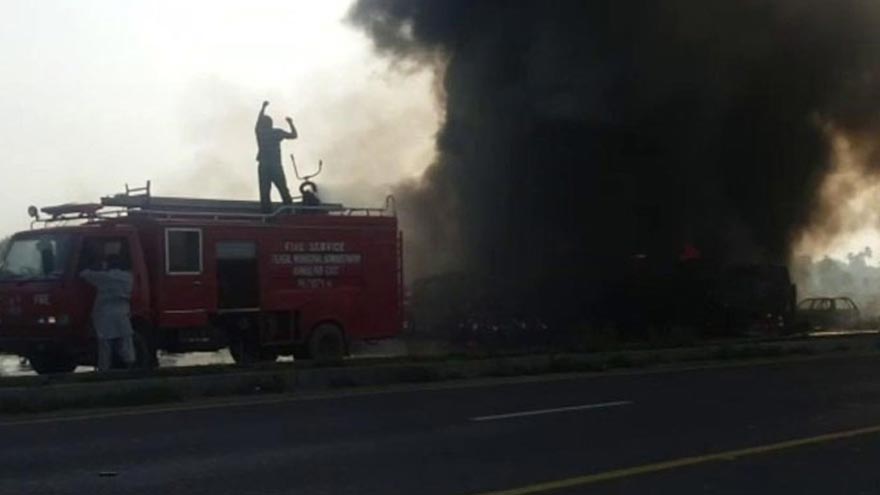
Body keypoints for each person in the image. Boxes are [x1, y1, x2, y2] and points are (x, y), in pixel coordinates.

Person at [80, 254, 136, 371]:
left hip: (105, 314)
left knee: (105, 345)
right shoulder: (128, 277)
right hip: (122, 312)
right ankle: (130, 365)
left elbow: (84, 274)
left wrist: (96, 265)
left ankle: (104, 369)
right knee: (125, 341)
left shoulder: (104, 277)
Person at [256, 100, 298, 213]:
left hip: (264, 166)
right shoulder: (276, 133)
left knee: (264, 191)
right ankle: (290, 210)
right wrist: (291, 123)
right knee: (283, 188)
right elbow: (294, 135)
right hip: (276, 166)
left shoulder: (260, 132)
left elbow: (258, 121)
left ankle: (266, 213)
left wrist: (263, 107)